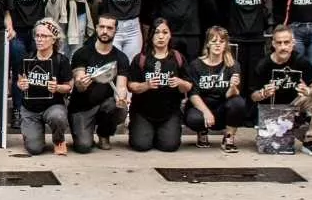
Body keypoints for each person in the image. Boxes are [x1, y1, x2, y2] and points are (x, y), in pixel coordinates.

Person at [249, 26, 312, 157]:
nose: (283, 47)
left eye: (286, 42)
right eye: (279, 43)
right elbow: (253, 96)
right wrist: (263, 93)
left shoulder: (301, 61)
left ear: (293, 43)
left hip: (295, 104)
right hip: (271, 108)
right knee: (273, 146)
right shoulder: (263, 65)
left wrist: (308, 90)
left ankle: (310, 141)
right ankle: (280, 129)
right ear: (273, 44)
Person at [125, 18, 192, 152]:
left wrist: (180, 83)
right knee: (141, 145)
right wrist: (145, 85)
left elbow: (189, 86)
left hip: (169, 112)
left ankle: (160, 133)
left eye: (165, 32)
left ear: (170, 35)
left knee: (169, 146)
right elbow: (130, 85)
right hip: (143, 112)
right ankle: (144, 131)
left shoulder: (178, 58)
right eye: (157, 32)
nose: (161, 36)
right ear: (151, 35)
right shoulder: (141, 58)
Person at [66, 14, 129, 153]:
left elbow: (121, 86)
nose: (105, 31)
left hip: (105, 106)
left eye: (109, 28)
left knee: (120, 108)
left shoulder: (121, 57)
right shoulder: (81, 53)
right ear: (96, 28)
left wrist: (121, 97)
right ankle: (85, 132)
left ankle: (104, 134)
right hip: (81, 108)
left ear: (115, 30)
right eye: (102, 27)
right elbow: (79, 83)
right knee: (83, 147)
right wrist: (81, 83)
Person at [184, 27, 251, 152]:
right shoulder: (196, 65)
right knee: (194, 118)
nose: (217, 44)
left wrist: (233, 87)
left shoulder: (233, 65)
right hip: (202, 107)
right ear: (207, 44)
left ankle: (229, 137)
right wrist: (206, 112)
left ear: (226, 44)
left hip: (222, 108)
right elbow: (193, 94)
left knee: (238, 102)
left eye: (221, 41)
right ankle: (202, 132)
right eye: (214, 41)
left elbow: (233, 95)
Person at [14, 19, 72, 156]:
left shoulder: (61, 60)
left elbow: (69, 87)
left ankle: (59, 140)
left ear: (53, 40)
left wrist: (57, 87)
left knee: (58, 116)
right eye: (37, 35)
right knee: (34, 149)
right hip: (30, 109)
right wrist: (21, 85)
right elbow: (19, 81)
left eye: (44, 36)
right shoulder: (27, 58)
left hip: (52, 106)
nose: (39, 39)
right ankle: (33, 135)